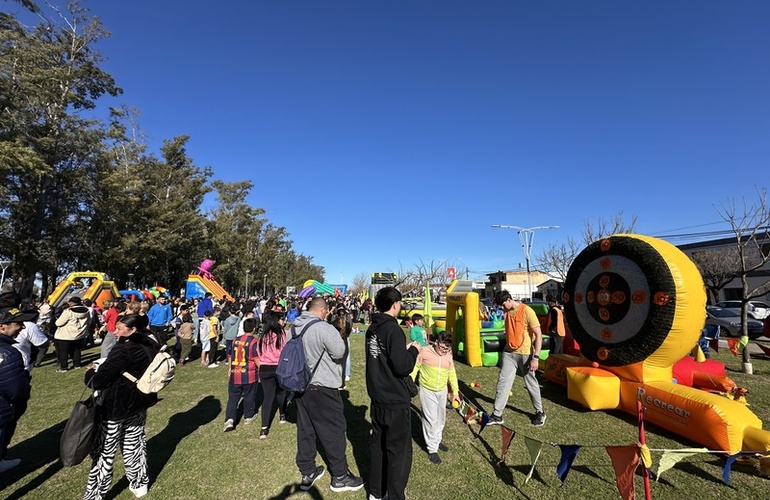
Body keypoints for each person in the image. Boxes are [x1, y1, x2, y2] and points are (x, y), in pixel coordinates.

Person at [82, 314, 159, 499]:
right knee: (135, 443)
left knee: (105, 450)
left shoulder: (124, 349)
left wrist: (91, 372)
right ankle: (139, 483)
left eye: (119, 329)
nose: (115, 332)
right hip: (140, 401)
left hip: (116, 406)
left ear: (133, 330)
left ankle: (95, 493)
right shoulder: (151, 343)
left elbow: (98, 381)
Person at [293, 297, 364, 493]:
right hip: (322, 385)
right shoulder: (323, 328)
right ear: (323, 310)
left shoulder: (295, 326)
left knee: (306, 430)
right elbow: (340, 352)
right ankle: (340, 476)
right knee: (334, 430)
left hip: (300, 385)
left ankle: (308, 471)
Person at [365, 286, 421, 500]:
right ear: (395, 305)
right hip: (395, 401)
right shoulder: (392, 329)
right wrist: (413, 350)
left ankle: (376, 492)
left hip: (377, 397)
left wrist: (402, 351)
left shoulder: (372, 328)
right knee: (398, 453)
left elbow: (385, 356)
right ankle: (394, 495)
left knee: (379, 447)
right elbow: (402, 366)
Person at [487, 290, 547, 427]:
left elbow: (538, 334)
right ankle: (497, 414)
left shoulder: (527, 311)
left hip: (525, 354)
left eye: (503, 305)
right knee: (503, 383)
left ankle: (540, 412)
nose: (503, 308)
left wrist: (536, 357)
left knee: (531, 383)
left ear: (509, 300)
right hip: (509, 353)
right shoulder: (507, 311)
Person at [410, 331, 459, 464]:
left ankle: (436, 441)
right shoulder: (425, 352)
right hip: (427, 390)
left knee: (440, 418)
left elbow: (452, 374)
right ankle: (432, 449)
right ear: (436, 343)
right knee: (430, 419)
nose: (444, 351)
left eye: (447, 348)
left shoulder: (448, 356)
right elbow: (416, 367)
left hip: (442, 391)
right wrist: (410, 381)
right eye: (442, 347)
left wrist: (455, 393)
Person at [0, 308, 34, 473]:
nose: (22, 327)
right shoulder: (8, 353)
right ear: (2, 327)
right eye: (18, 323)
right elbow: (16, 390)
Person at [256, 311, 288, 438]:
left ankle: (264, 427)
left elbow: (259, 351)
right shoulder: (282, 334)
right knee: (281, 392)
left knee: (268, 397)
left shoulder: (262, 335)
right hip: (279, 366)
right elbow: (285, 349)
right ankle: (282, 413)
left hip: (265, 368)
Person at [224, 317, 259, 432]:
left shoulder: (235, 340)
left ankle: (229, 419)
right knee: (249, 396)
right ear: (254, 329)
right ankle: (248, 416)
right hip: (249, 375)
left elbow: (230, 355)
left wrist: (230, 368)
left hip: (235, 374)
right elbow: (256, 358)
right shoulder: (254, 342)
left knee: (233, 398)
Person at [54, 296, 91, 372]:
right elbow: (88, 321)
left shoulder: (68, 311)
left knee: (63, 352)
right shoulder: (86, 311)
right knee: (76, 350)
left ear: (71, 303)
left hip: (66, 335)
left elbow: (59, 323)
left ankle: (64, 367)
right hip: (79, 334)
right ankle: (77, 364)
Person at [331, 306, 352, 387]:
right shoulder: (348, 324)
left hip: (334, 345)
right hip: (344, 344)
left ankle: (334, 381)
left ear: (337, 315)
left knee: (334, 364)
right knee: (343, 365)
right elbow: (348, 333)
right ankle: (342, 383)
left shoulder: (332, 324)